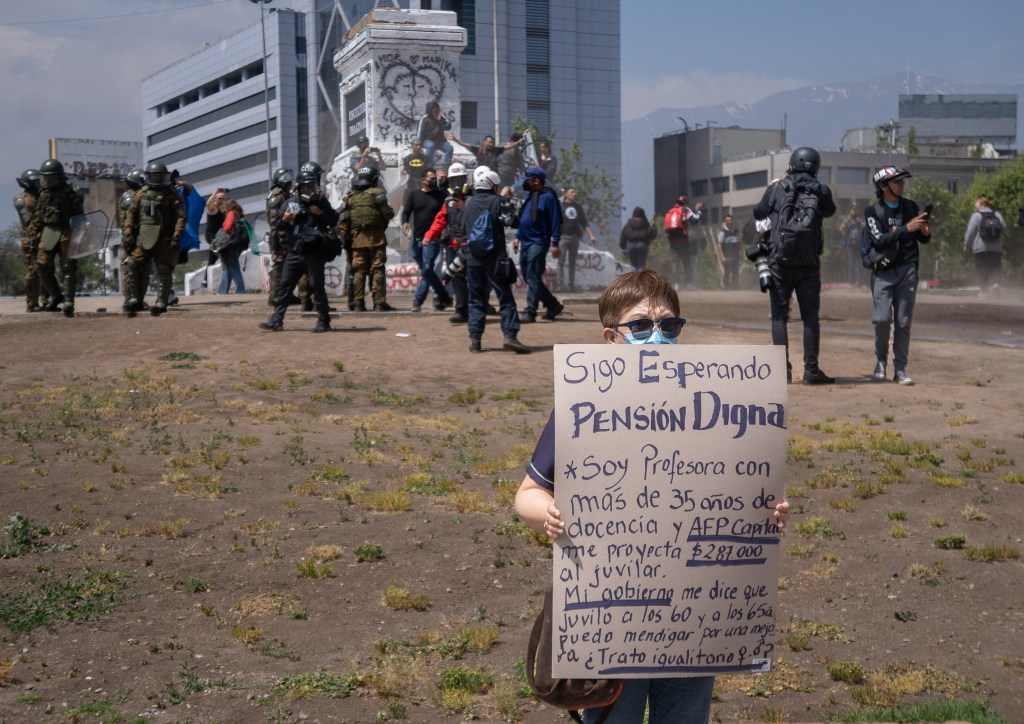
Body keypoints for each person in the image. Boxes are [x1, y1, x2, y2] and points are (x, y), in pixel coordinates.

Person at [514, 268, 790, 724]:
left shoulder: (719, 407)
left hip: (696, 612)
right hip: (611, 609)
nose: (657, 336)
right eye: (641, 326)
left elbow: (737, 491)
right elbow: (528, 493)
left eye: (669, 325)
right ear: (611, 338)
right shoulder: (584, 407)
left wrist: (764, 516)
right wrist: (550, 514)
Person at [753, 147, 837, 385]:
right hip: (808, 263)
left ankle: (783, 372)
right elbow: (830, 211)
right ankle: (811, 371)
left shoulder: (778, 187)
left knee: (779, 317)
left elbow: (759, 212)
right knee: (810, 317)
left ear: (791, 164)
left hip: (779, 261)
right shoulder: (821, 191)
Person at [864, 166, 930, 385]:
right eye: (897, 181)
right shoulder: (873, 212)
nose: (902, 185)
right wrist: (906, 228)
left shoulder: (911, 207)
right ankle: (880, 361)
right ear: (883, 186)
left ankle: (900, 368)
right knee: (882, 320)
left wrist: (924, 232)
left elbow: (922, 239)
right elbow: (879, 241)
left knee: (903, 322)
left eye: (903, 181)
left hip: (908, 270)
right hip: (883, 272)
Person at [460, 166, 531, 354]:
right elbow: (513, 222)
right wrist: (507, 200)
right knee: (505, 297)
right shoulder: (498, 201)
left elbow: (462, 230)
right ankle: (510, 336)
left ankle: (475, 340)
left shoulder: (467, 203)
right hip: (495, 259)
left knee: (476, 299)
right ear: (493, 185)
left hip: (473, 259)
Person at [259, 168, 338, 333]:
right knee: (285, 285)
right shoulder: (291, 203)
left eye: (312, 186)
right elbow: (278, 225)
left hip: (314, 251)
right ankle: (277, 319)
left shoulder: (321, 202)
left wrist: (320, 212)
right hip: (294, 250)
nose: (310, 190)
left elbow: (333, 219)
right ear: (300, 187)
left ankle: (324, 320)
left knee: (317, 286)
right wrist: (285, 219)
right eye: (306, 186)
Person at [122, 161, 186, 316]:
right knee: (133, 263)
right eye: (154, 176)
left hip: (164, 237)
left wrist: (177, 234)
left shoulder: (172, 194)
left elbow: (181, 216)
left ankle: (161, 302)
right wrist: (128, 230)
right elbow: (131, 213)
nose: (157, 180)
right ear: (148, 177)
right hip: (144, 236)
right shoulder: (141, 193)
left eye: (160, 177)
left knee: (164, 269)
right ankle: (135, 300)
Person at [29, 158, 84, 316]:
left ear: (59, 177)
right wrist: (34, 237)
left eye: (51, 177)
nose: (47, 181)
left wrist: (80, 237)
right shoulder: (43, 194)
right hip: (48, 231)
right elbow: (38, 217)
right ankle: (56, 295)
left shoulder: (71, 193)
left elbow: (80, 217)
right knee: (41, 265)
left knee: (68, 267)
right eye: (45, 178)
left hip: (67, 232)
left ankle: (68, 302)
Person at [338, 166, 396, 312]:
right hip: (377, 239)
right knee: (377, 270)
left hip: (357, 240)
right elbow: (388, 214)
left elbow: (344, 221)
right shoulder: (378, 194)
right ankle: (378, 303)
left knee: (359, 271)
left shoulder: (350, 198)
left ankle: (358, 303)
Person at [515, 166, 563, 323]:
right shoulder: (531, 196)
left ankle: (530, 312)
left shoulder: (549, 197)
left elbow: (556, 220)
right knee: (529, 277)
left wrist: (555, 243)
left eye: (527, 179)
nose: (525, 183)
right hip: (525, 241)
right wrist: (517, 236)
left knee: (532, 275)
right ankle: (552, 304)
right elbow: (524, 219)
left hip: (539, 242)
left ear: (536, 180)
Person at [424, 162, 471, 323]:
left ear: (466, 179)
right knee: (457, 278)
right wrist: (430, 235)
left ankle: (479, 306)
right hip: (454, 245)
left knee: (475, 278)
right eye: (454, 181)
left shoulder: (474, 198)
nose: (457, 184)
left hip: (471, 246)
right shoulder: (448, 201)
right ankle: (461, 311)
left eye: (460, 180)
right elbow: (440, 220)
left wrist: (466, 206)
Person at [401, 168, 451, 312]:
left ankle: (418, 301)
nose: (434, 180)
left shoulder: (441, 195)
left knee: (427, 268)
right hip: (416, 239)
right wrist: (404, 222)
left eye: (435, 178)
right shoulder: (414, 195)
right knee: (426, 270)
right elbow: (406, 211)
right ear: (423, 180)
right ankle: (445, 296)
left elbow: (451, 205)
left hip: (433, 239)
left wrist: (446, 184)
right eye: (431, 178)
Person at [265, 168, 298, 306]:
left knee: (286, 267)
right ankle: (275, 297)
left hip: (286, 236)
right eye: (287, 179)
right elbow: (274, 221)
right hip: (279, 238)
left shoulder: (284, 195)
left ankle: (286, 295)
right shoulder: (276, 197)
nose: (290, 182)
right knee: (279, 267)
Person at [14, 169, 45, 312]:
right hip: (31, 239)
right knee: (33, 271)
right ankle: (32, 302)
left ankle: (46, 300)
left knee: (45, 269)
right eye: (35, 181)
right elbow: (29, 223)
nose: (38, 184)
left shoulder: (39, 197)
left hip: (42, 237)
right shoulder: (24, 201)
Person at [963, 196, 1006, 294]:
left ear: (982, 204)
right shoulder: (997, 215)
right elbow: (1003, 226)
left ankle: (984, 291)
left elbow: (970, 232)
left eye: (976, 203)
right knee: (995, 267)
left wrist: (967, 244)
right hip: (996, 248)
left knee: (981, 268)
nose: (975, 205)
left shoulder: (976, 216)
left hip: (980, 248)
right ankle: (996, 284)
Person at [558, 187, 597, 292]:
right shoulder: (561, 206)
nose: (574, 194)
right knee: (561, 261)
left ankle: (571, 285)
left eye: (575, 192)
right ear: (566, 194)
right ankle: (560, 285)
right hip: (563, 237)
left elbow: (584, 222)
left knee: (572, 262)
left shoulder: (577, 207)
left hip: (574, 237)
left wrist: (591, 235)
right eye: (572, 192)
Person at [663, 195, 704, 291]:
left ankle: (676, 285)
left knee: (675, 264)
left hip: (673, 242)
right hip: (683, 241)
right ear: (685, 202)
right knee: (687, 263)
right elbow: (695, 220)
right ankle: (689, 284)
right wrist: (698, 210)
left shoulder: (670, 211)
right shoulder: (685, 210)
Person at [216, 199, 247, 295]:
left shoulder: (231, 214)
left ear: (228, 206)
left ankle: (240, 290)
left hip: (230, 245)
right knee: (230, 268)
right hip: (236, 244)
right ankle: (223, 291)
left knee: (234, 268)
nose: (224, 208)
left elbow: (227, 227)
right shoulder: (237, 214)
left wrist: (223, 229)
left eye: (225, 206)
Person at [618, 206, 657, 272]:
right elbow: (652, 234)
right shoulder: (645, 224)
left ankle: (634, 280)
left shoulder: (628, 225)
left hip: (630, 246)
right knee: (641, 266)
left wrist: (623, 246)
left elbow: (623, 236)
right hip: (642, 245)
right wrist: (653, 226)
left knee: (633, 266)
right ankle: (640, 281)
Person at [417, 101, 453, 169]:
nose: (435, 110)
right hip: (428, 140)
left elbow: (448, 127)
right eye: (433, 108)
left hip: (440, 141)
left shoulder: (441, 117)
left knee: (449, 148)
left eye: (436, 108)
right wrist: (419, 144)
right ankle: (428, 166)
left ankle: (446, 167)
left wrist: (440, 120)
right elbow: (420, 132)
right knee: (431, 146)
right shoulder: (425, 118)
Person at [716, 214, 742, 290]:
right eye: (728, 221)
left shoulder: (737, 231)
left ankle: (735, 288)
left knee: (735, 272)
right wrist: (722, 256)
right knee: (727, 272)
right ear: (725, 222)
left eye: (731, 220)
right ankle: (726, 289)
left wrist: (742, 253)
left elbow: (740, 242)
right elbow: (719, 245)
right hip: (727, 255)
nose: (730, 222)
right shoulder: (723, 232)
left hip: (736, 255)